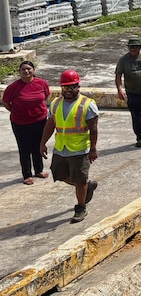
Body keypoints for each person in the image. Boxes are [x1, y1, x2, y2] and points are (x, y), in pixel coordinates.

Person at [40, 70, 98, 223]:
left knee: (79, 180)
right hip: (61, 147)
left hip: (80, 149)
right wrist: (42, 143)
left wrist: (93, 149)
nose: (68, 91)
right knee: (58, 173)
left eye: (72, 87)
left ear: (78, 87)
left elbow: (93, 129)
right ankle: (87, 186)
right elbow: (50, 124)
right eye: (65, 88)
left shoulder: (88, 104)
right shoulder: (56, 103)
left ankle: (80, 208)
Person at [3, 60, 51, 185]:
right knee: (24, 148)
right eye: (23, 69)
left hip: (40, 121)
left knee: (38, 145)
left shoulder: (42, 83)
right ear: (19, 72)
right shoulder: (13, 87)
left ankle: (39, 170)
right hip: (20, 123)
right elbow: (6, 102)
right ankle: (27, 174)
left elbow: (45, 96)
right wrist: (15, 111)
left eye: (29, 68)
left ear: (33, 70)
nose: (26, 71)